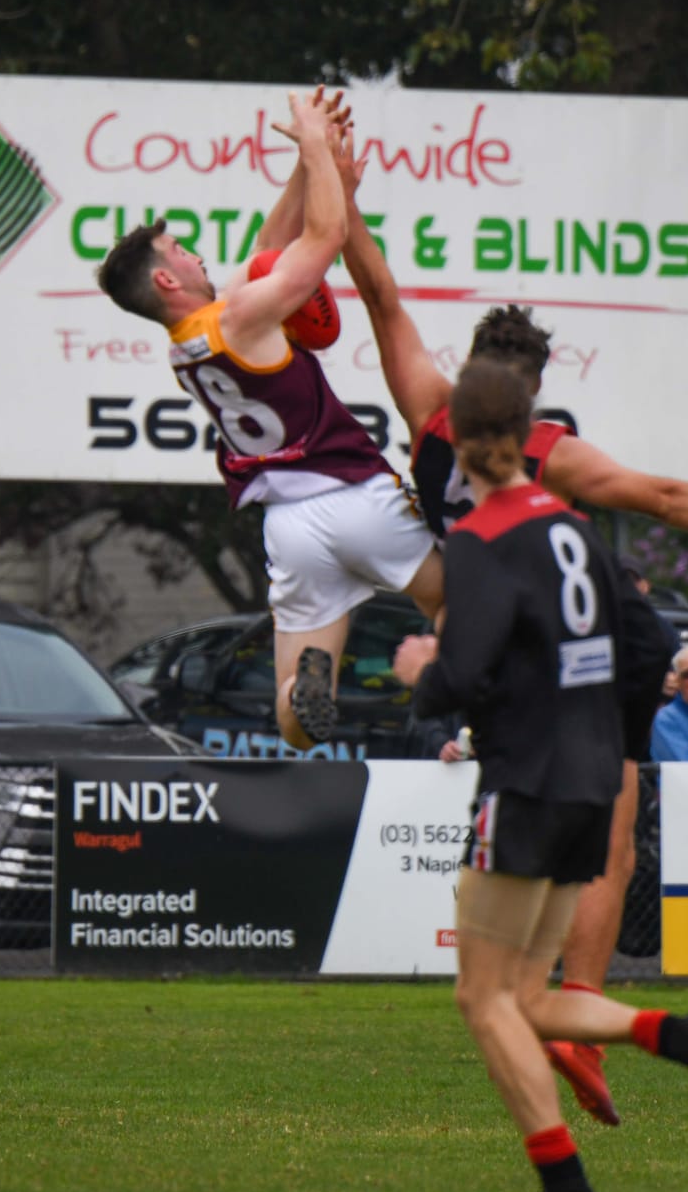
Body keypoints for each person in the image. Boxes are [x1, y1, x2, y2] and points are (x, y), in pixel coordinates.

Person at [336, 124, 688, 1126]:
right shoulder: (553, 457)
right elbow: (669, 496)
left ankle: (578, 1028)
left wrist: (333, 183)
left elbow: (375, 289)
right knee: (613, 835)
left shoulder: (428, 410)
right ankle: (585, 1007)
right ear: (533, 390)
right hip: (581, 653)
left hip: (509, 666)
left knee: (498, 954)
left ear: (469, 375)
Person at [391, 360, 688, 1192]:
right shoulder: (579, 530)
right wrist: (612, 740)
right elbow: (644, 650)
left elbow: (465, 673)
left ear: (455, 448)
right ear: (527, 437)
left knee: (481, 999)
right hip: (596, 779)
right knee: (523, 995)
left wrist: (423, 672)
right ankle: (684, 1035)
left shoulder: (481, 539)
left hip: (526, 783)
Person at [95, 89, 441, 750]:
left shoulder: (193, 341)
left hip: (290, 527)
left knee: (297, 715)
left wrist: (312, 172)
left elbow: (267, 246)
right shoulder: (238, 316)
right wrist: (316, 141)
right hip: (354, 494)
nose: (196, 255)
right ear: (168, 281)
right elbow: (327, 237)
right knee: (457, 608)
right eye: (182, 251)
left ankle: (297, 694)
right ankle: (480, 723)